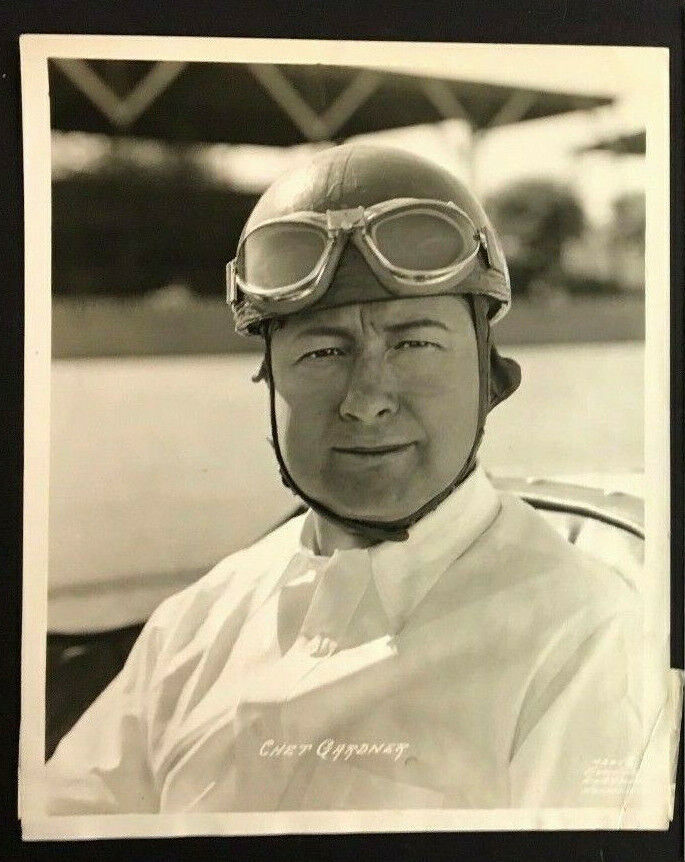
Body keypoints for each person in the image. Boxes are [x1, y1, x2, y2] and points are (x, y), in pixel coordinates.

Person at [46, 144, 643, 815]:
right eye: (322, 352)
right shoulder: (193, 626)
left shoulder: (582, 638)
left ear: (491, 379)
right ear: (269, 382)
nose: (366, 399)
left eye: (414, 344)